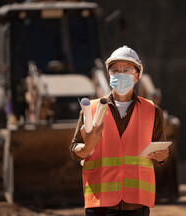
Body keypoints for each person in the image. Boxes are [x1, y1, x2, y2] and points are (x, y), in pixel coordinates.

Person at [69, 45, 169, 216]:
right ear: (109, 76)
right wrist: (86, 148)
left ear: (137, 76)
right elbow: (75, 150)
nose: (120, 74)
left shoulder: (153, 111)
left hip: (136, 204)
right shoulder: (91, 109)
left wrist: (162, 156)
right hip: (100, 204)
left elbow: (160, 154)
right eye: (115, 70)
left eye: (126, 70)